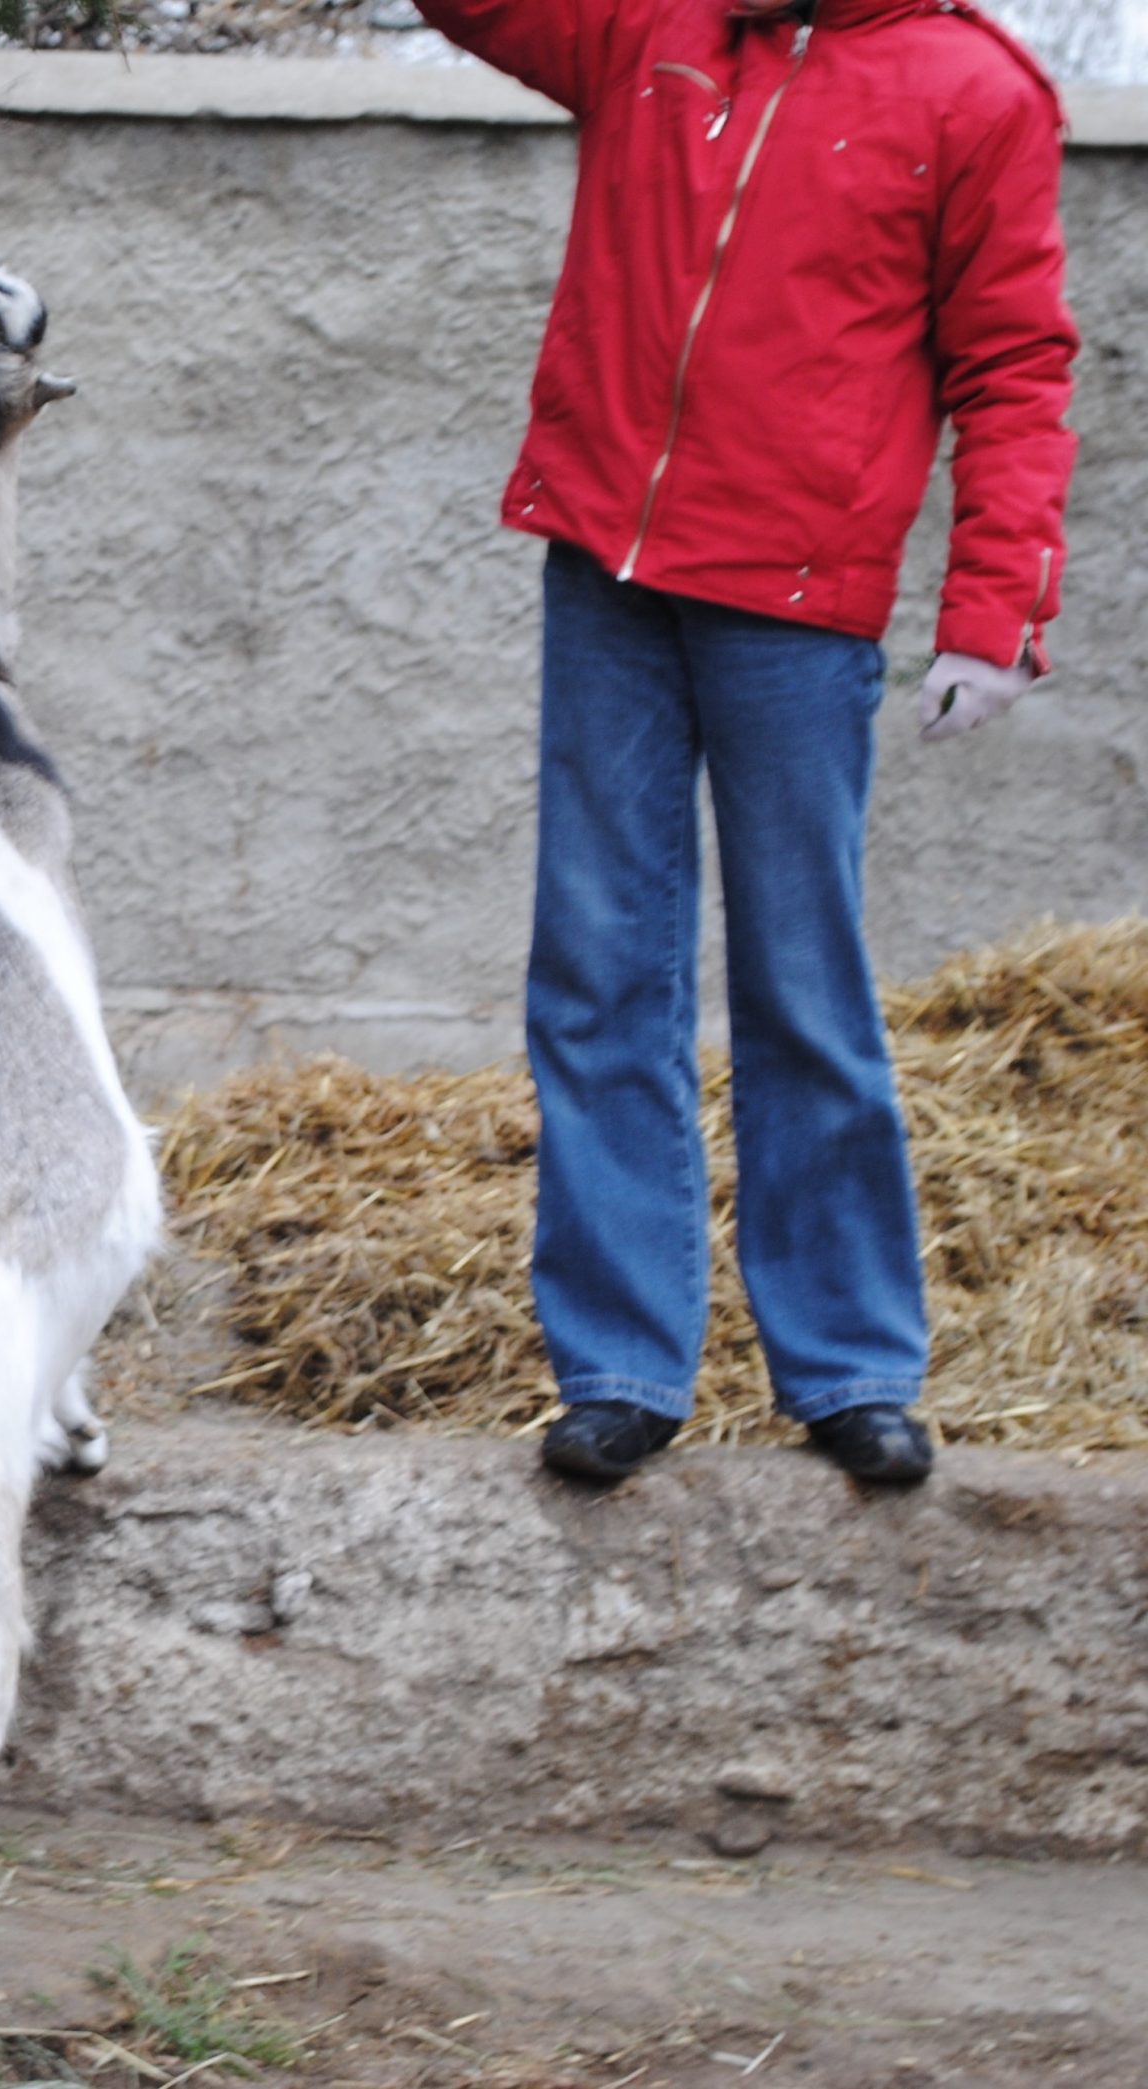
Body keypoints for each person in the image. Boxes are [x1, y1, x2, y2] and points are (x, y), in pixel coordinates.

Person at [409, 0, 1080, 1482]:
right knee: (596, 978)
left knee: (802, 986)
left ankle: (847, 1366)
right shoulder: (650, 27)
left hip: (798, 604)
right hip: (606, 574)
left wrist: (994, 610)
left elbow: (1017, 368)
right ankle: (622, 1365)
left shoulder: (975, 91)